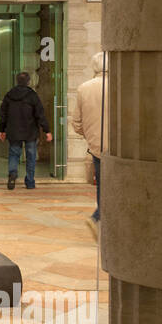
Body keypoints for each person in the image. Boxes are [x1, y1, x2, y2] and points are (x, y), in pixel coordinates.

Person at [70, 51, 107, 228]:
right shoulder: (123, 85)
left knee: (101, 184)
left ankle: (99, 216)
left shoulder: (84, 88)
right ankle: (98, 217)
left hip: (96, 145)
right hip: (120, 147)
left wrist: (91, 135)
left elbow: (76, 123)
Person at [0, 71, 51, 190]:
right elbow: (40, 114)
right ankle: (30, 182)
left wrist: (2, 129)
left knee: (14, 154)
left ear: (17, 81)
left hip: (13, 131)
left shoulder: (9, 95)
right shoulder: (32, 95)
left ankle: (12, 174)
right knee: (31, 156)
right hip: (30, 132)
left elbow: (3, 114)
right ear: (28, 82)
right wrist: (47, 130)